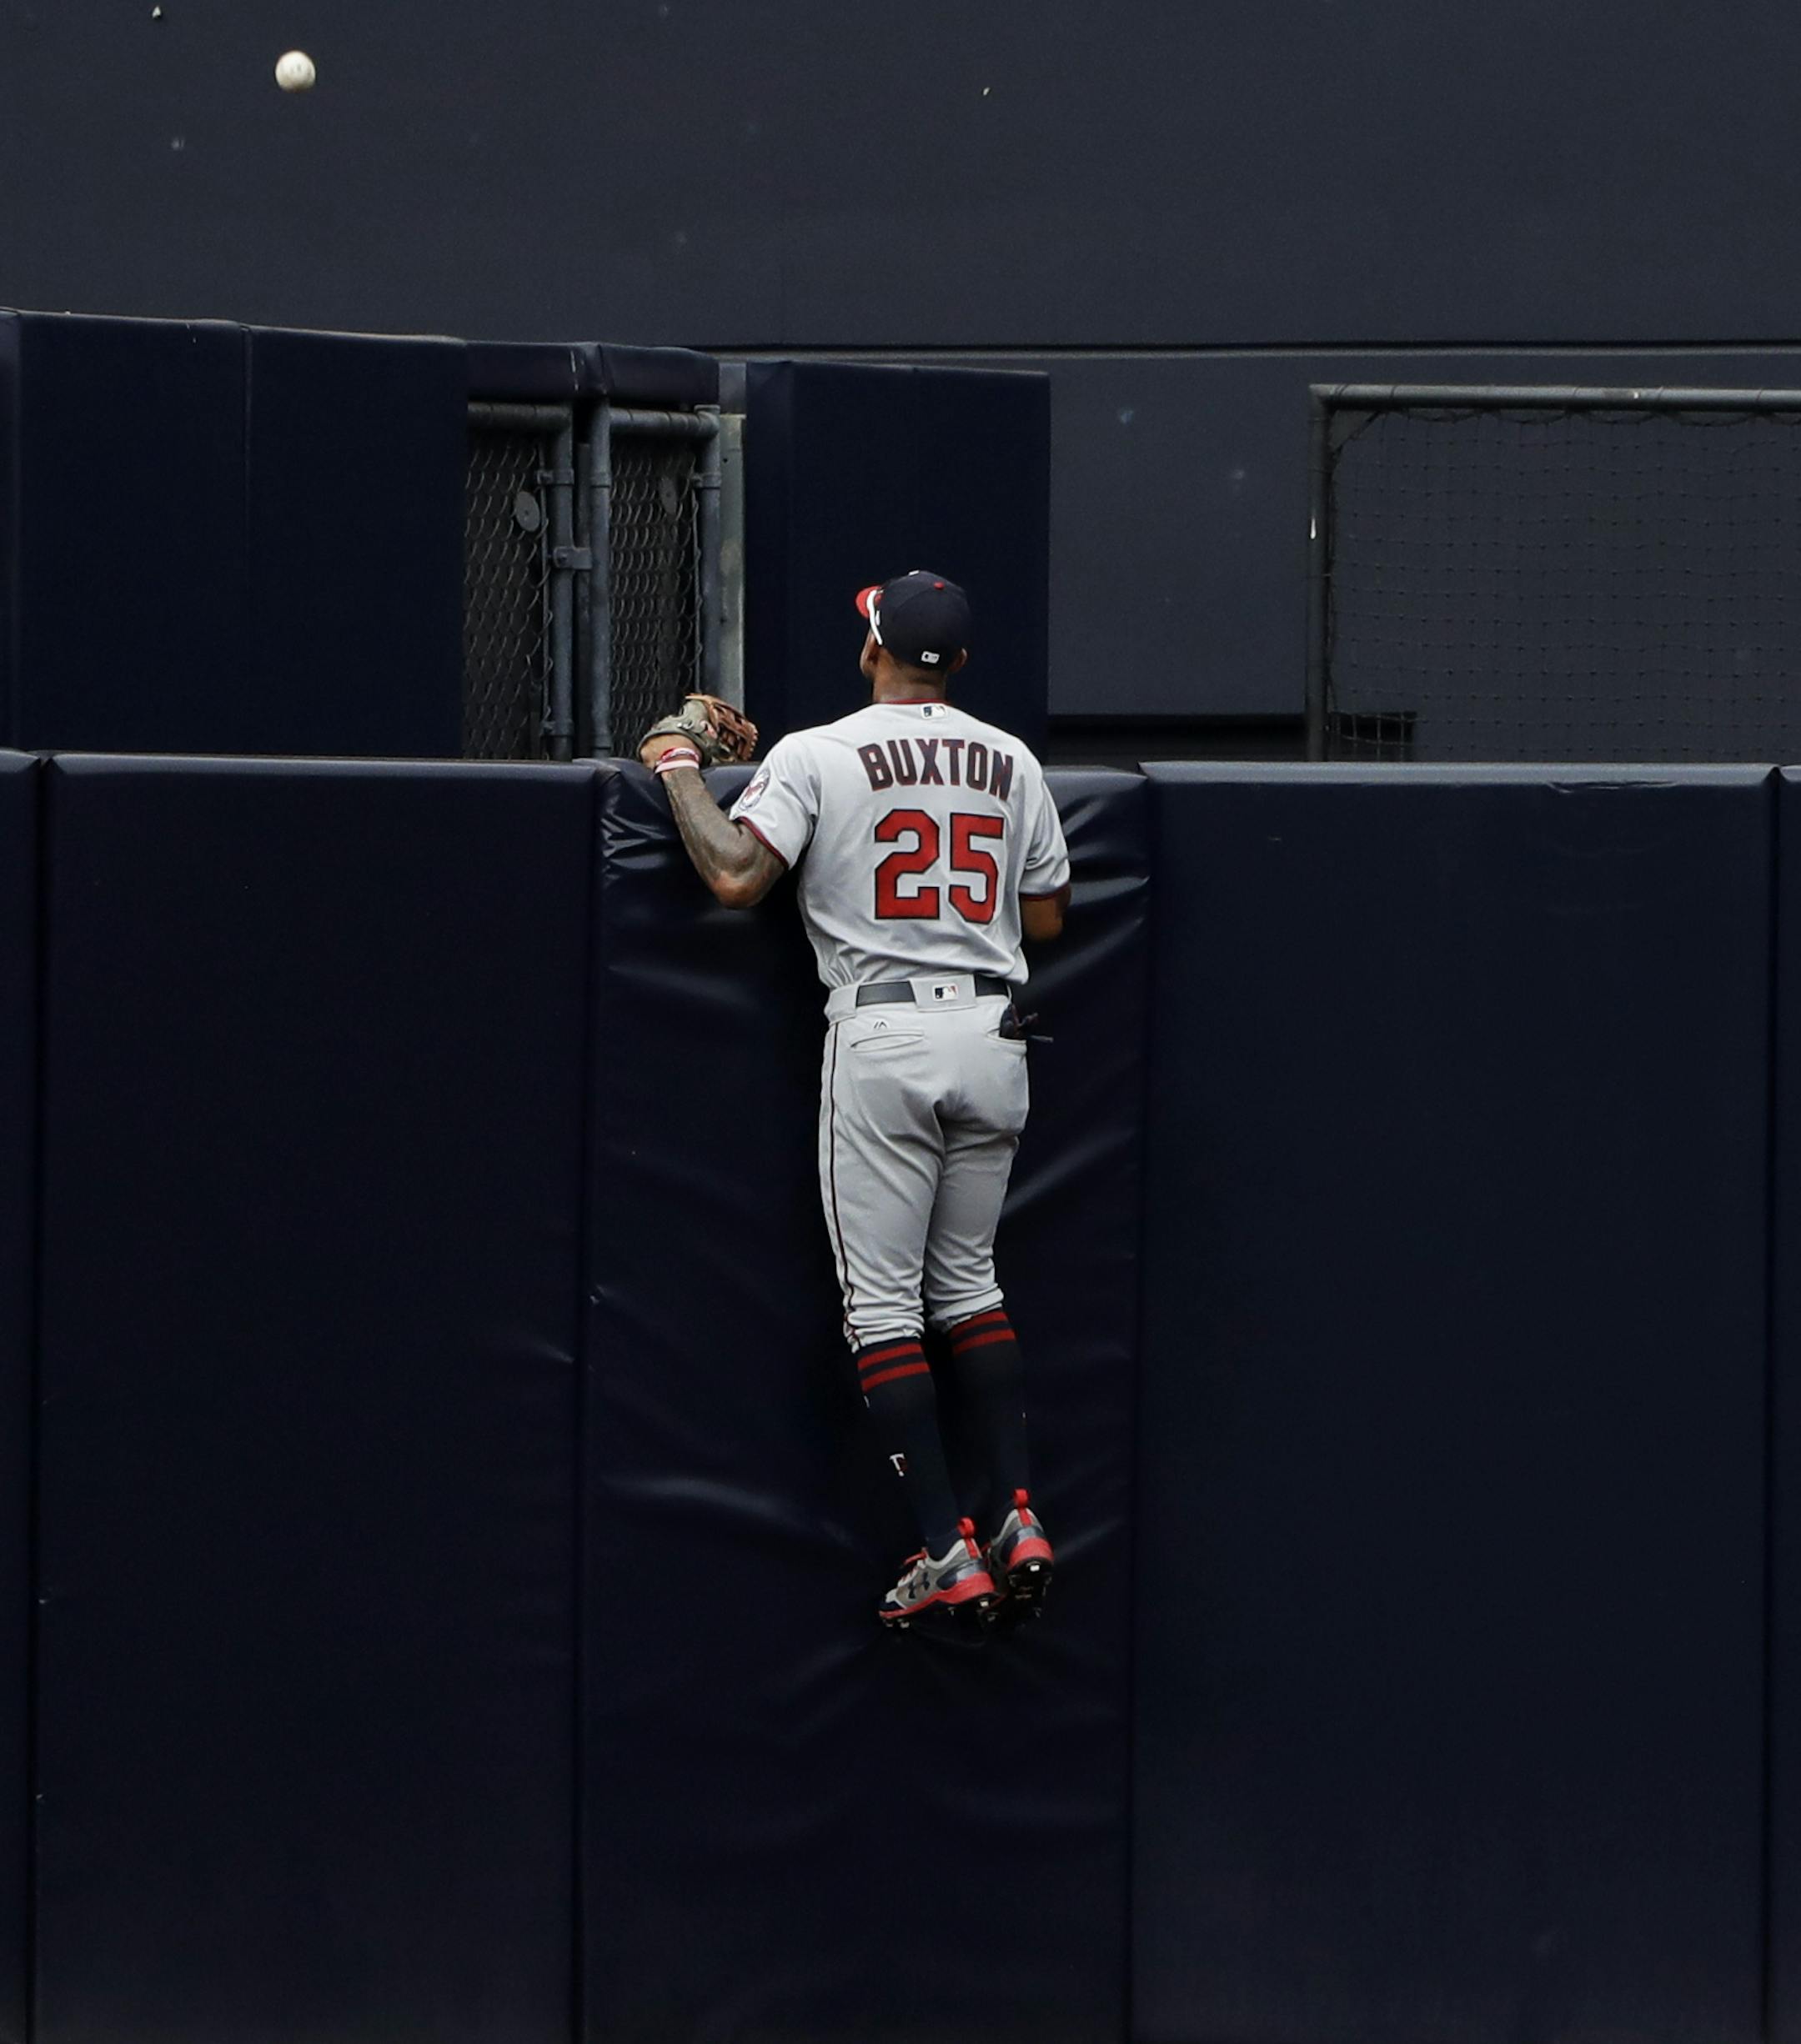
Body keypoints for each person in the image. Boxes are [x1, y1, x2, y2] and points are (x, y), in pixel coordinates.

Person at [639, 571, 1071, 1631]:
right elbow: (1048, 916)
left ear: (871, 648)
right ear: (959, 664)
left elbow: (737, 877)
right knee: (968, 1282)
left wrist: (683, 767)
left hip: (882, 1031)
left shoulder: (817, 751)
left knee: (882, 1308)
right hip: (994, 1027)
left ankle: (943, 1548)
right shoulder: (1011, 758)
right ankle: (1016, 1514)